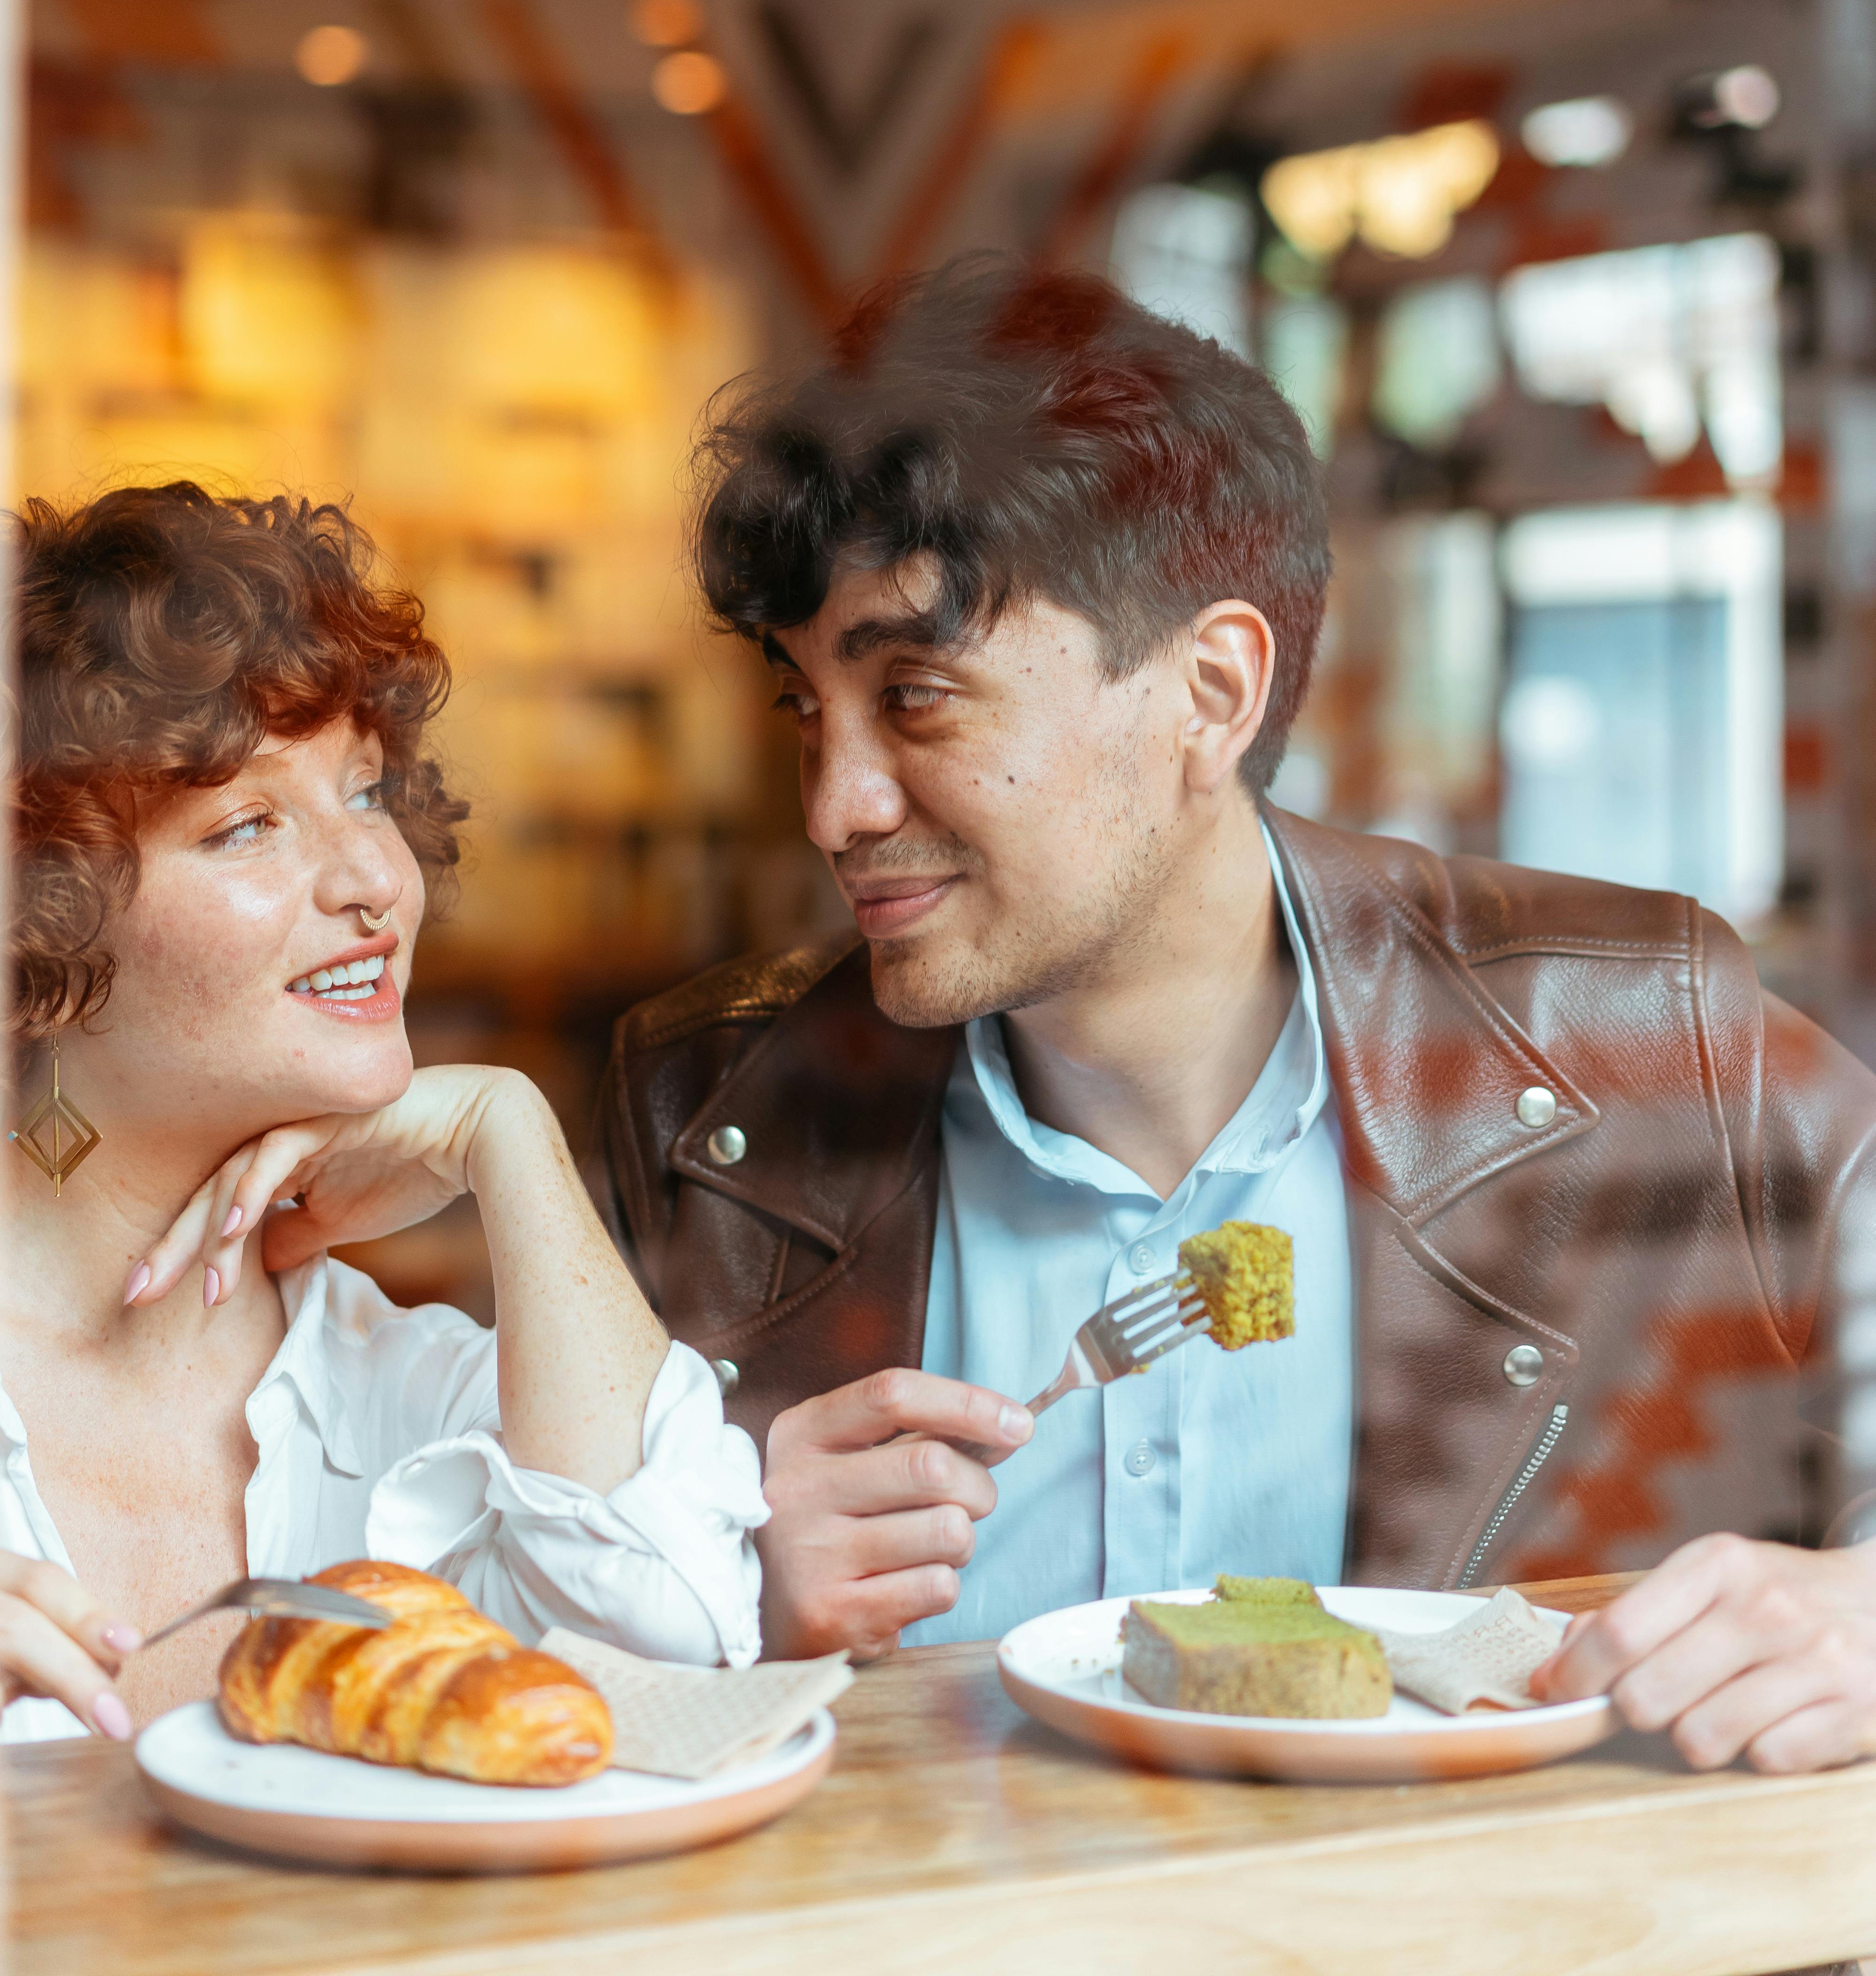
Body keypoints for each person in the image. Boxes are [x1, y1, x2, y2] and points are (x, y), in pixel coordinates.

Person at [600, 257, 1876, 1776]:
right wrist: (699, 1595)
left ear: (1212, 692)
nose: (836, 805)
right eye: (806, 705)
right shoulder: (702, 1112)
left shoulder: (1640, 1036)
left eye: (919, 697)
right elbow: (504, 1663)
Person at [1, 484, 764, 1743]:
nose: (374, 881)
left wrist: (508, 1136)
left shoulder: (420, 1401)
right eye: (249, 825)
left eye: (365, 794)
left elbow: (673, 1647)